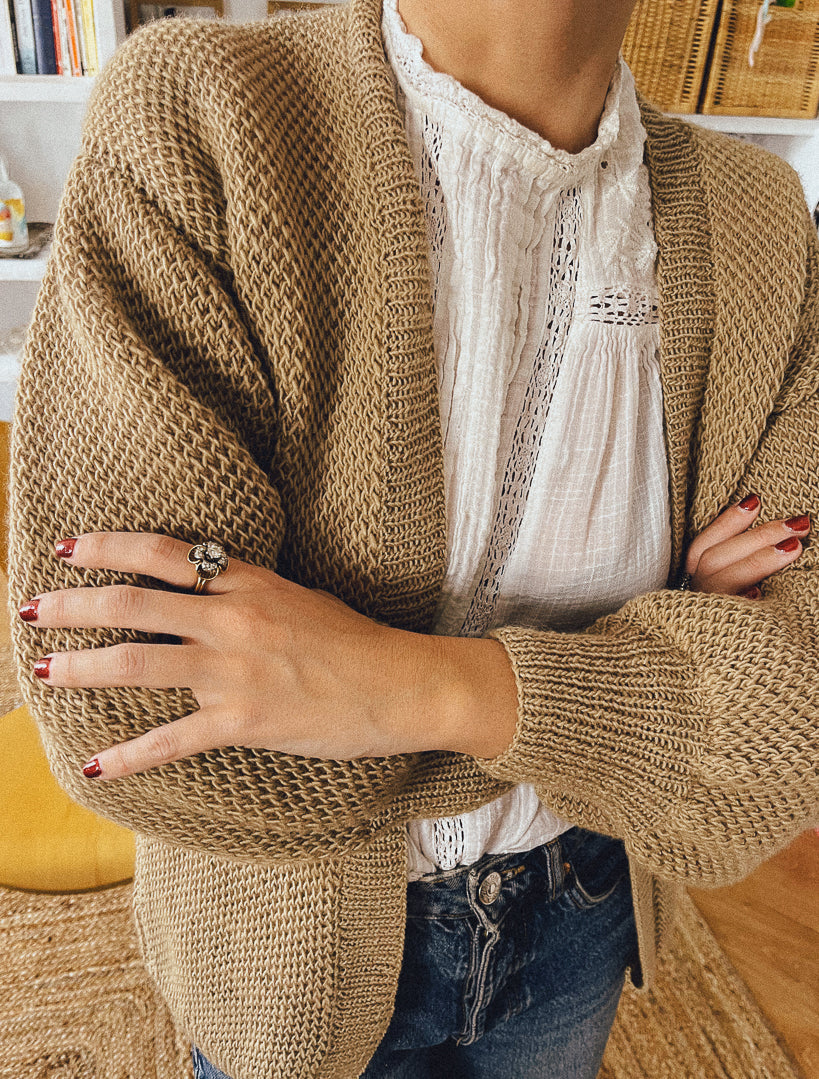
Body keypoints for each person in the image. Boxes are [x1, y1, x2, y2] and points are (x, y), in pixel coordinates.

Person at [7, 0, 818, 1076]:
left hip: (584, 907)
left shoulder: (762, 214)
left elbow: (792, 727)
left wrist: (397, 685)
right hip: (283, 941)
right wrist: (663, 696)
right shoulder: (204, 112)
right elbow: (135, 710)